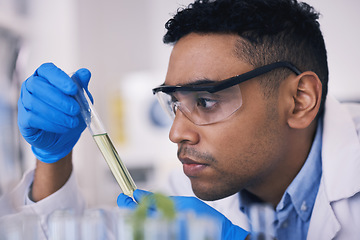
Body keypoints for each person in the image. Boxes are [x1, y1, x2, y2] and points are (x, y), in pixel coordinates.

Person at [1, 0, 360, 239]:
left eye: (206, 100)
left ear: (299, 101)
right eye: (175, 104)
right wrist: (54, 159)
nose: (176, 133)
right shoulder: (185, 193)